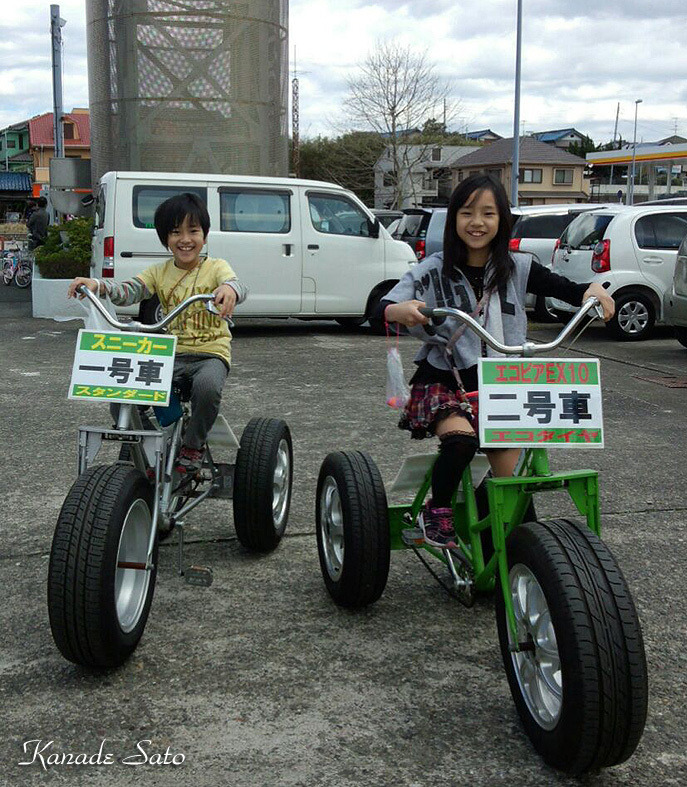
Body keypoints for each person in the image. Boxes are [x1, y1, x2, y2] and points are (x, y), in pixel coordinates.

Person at [378, 174, 615, 548]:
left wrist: (593, 290)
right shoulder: (431, 269)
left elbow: (567, 289)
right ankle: (435, 512)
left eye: (488, 213)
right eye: (467, 212)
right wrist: (398, 310)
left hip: (501, 382)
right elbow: (384, 303)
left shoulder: (519, 266)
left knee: (515, 488)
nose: (477, 222)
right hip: (445, 377)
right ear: (453, 218)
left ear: (502, 221)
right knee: (461, 442)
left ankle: (521, 558)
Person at [68, 192, 248, 478]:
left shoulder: (216, 267)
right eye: (175, 232)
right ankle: (152, 445)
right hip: (172, 353)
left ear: (205, 235)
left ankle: (192, 446)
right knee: (122, 397)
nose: (185, 239)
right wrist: (98, 285)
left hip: (210, 353)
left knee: (207, 388)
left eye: (193, 231)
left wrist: (229, 291)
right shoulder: (159, 272)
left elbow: (236, 285)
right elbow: (129, 290)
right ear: (165, 238)